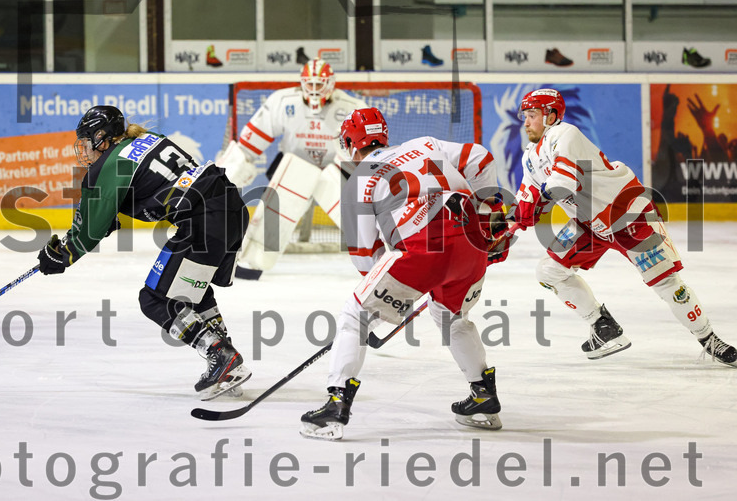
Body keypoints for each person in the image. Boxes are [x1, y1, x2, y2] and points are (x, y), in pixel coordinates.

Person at [300, 107, 506, 440]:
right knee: (451, 317)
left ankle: (335, 405)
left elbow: (365, 257)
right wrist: (490, 215)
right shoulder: (426, 144)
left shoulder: (360, 179)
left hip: (423, 248)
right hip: (472, 244)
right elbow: (480, 158)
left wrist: (395, 296)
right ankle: (483, 396)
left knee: (356, 316)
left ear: (352, 143)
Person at [36, 105, 253, 400]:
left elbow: (88, 231)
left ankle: (220, 355)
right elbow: (157, 183)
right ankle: (227, 359)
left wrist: (64, 254)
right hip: (230, 207)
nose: (84, 150)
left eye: (87, 141)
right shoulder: (148, 138)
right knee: (193, 292)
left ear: (103, 138)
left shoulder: (110, 163)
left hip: (203, 220)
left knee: (152, 299)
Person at [511, 88, 737, 366]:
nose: (526, 122)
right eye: (525, 116)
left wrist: (528, 210)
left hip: (627, 215)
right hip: (589, 224)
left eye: (532, 115)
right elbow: (525, 207)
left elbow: (561, 185)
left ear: (551, 116)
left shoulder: (564, 134)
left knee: (667, 284)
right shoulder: (530, 157)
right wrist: (505, 225)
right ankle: (603, 326)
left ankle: (709, 339)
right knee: (548, 271)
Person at [216, 58, 368, 280]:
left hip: (333, 172)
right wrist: (232, 171)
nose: (315, 90)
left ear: (331, 83)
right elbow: (250, 142)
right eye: (311, 84)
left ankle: (379, 260)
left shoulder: (352, 108)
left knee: (359, 221)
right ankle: (252, 263)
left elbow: (366, 153)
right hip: (295, 170)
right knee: (275, 214)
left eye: (320, 84)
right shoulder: (282, 101)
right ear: (302, 82)